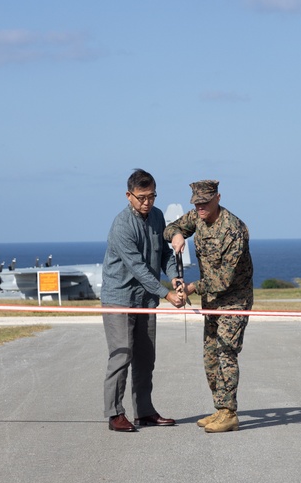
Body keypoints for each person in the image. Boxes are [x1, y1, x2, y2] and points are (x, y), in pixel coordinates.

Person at [164, 180, 253, 433]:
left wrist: (191, 288)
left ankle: (229, 413)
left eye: (205, 203)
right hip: (212, 301)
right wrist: (178, 234)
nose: (200, 208)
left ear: (218, 198)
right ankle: (220, 408)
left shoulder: (234, 229)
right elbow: (170, 228)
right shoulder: (198, 216)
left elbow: (224, 279)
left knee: (226, 352)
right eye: (197, 203)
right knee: (210, 355)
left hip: (234, 299)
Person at [101, 169, 185, 433]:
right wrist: (167, 295)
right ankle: (115, 414)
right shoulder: (122, 225)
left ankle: (145, 412)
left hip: (146, 301)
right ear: (129, 196)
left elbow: (164, 257)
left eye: (152, 196)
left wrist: (175, 279)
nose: (147, 202)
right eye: (141, 197)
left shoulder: (158, 217)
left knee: (146, 359)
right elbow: (138, 268)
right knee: (122, 355)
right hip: (119, 299)